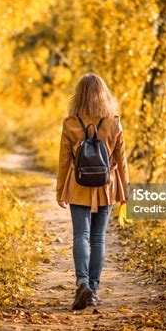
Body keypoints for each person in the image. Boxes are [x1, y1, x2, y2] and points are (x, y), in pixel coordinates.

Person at [56, 73, 129, 310]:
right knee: (98, 239)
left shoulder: (71, 124)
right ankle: (94, 290)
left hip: (78, 187)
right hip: (106, 187)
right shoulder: (114, 122)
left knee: (81, 235)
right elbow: (122, 160)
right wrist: (126, 191)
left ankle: (82, 283)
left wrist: (60, 191)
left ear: (79, 95)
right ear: (103, 94)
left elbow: (64, 161)